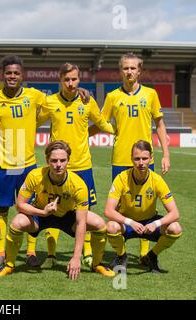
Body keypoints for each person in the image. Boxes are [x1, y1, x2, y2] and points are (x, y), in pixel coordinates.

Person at [0, 140, 115, 279]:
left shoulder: (78, 185)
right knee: (17, 222)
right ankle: (9, 265)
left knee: (99, 224)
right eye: (54, 160)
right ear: (47, 160)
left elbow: (81, 223)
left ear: (68, 160)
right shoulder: (35, 175)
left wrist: (75, 257)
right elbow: (20, 205)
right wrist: (42, 212)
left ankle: (97, 264)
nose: (58, 165)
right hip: (40, 215)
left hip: (67, 216)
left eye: (62, 160)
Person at [92, 52, 171, 262]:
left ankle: (145, 252)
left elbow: (160, 125)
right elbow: (101, 123)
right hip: (120, 158)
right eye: (125, 68)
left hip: (146, 158)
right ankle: (121, 253)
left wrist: (166, 154)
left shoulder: (151, 94)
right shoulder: (112, 97)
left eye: (133, 68)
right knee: (119, 207)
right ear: (120, 71)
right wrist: (80, 135)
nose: (129, 71)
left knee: (147, 206)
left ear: (139, 71)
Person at [38, 63, 115, 269]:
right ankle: (51, 254)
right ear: (60, 80)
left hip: (82, 165)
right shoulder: (50, 102)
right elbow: (33, 123)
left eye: (74, 79)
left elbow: (102, 123)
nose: (71, 83)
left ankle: (87, 252)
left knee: (85, 210)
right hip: (57, 166)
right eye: (67, 80)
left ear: (79, 79)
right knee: (52, 208)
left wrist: (119, 131)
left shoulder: (87, 101)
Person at [0, 55, 54, 268]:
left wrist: (79, 92)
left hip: (28, 165)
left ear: (22, 75)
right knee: (2, 210)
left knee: (29, 209)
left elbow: (55, 104)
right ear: (2, 75)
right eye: (8, 73)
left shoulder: (34, 96)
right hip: (4, 165)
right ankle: (1, 252)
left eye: (16, 73)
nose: (12, 76)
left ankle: (31, 252)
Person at [105, 140, 182, 273]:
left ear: (151, 158)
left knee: (175, 228)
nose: (141, 163)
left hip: (149, 222)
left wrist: (156, 224)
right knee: (111, 226)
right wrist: (130, 222)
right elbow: (108, 210)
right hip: (128, 222)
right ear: (131, 159)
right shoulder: (121, 178)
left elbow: (175, 213)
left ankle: (151, 256)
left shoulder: (157, 180)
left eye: (145, 158)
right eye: (137, 158)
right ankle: (122, 257)